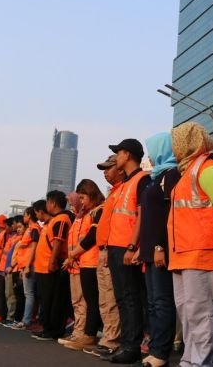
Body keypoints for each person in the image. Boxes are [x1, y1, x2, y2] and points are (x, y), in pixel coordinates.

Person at [168, 122, 213, 367]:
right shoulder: (187, 171)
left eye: (178, 143)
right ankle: (190, 361)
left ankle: (203, 363)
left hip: (202, 253)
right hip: (182, 254)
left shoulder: (208, 168)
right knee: (189, 315)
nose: (175, 149)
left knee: (204, 314)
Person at [101, 138, 151, 364]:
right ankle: (125, 344)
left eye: (119, 153)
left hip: (127, 247)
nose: (116, 158)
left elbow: (141, 216)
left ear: (128, 155)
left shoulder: (142, 180)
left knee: (131, 298)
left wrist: (133, 246)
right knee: (122, 298)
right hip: (116, 246)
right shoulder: (125, 184)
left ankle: (132, 347)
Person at [139, 132, 181, 367]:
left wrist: (159, 246)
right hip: (148, 250)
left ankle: (161, 352)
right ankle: (155, 348)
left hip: (160, 249)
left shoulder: (171, 175)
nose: (150, 157)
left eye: (152, 151)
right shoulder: (156, 177)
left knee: (163, 301)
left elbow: (167, 215)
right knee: (153, 302)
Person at [85, 155, 124, 357]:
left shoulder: (123, 190)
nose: (105, 172)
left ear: (120, 168)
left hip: (112, 250)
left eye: (109, 168)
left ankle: (112, 339)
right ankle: (108, 337)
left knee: (110, 299)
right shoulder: (114, 192)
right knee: (104, 299)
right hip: (105, 250)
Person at [66, 178, 108, 352]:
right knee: (90, 301)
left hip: (91, 260)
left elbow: (92, 236)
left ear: (91, 194)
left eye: (83, 197)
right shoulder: (88, 213)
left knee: (92, 302)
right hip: (84, 261)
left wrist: (74, 253)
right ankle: (86, 334)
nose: (81, 202)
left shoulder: (99, 210)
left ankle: (89, 335)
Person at [31, 190, 73, 341]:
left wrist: (52, 260)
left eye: (48, 202)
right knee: (46, 299)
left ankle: (53, 330)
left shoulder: (61, 219)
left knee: (53, 300)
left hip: (52, 266)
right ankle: (47, 328)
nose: (47, 204)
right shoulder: (53, 220)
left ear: (53, 203)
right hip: (43, 266)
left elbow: (58, 241)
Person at [62, 192, 91, 348]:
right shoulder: (76, 220)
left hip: (81, 265)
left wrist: (73, 257)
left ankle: (80, 332)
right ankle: (77, 331)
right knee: (76, 302)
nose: (71, 207)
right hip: (73, 266)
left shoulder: (86, 218)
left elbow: (84, 242)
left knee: (81, 302)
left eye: (73, 204)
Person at [9, 205, 40, 330]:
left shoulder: (34, 228)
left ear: (30, 215)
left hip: (30, 265)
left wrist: (27, 266)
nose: (24, 217)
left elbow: (33, 247)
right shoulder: (31, 229)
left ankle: (26, 320)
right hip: (26, 265)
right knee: (28, 294)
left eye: (25, 215)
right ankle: (26, 320)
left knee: (29, 294)